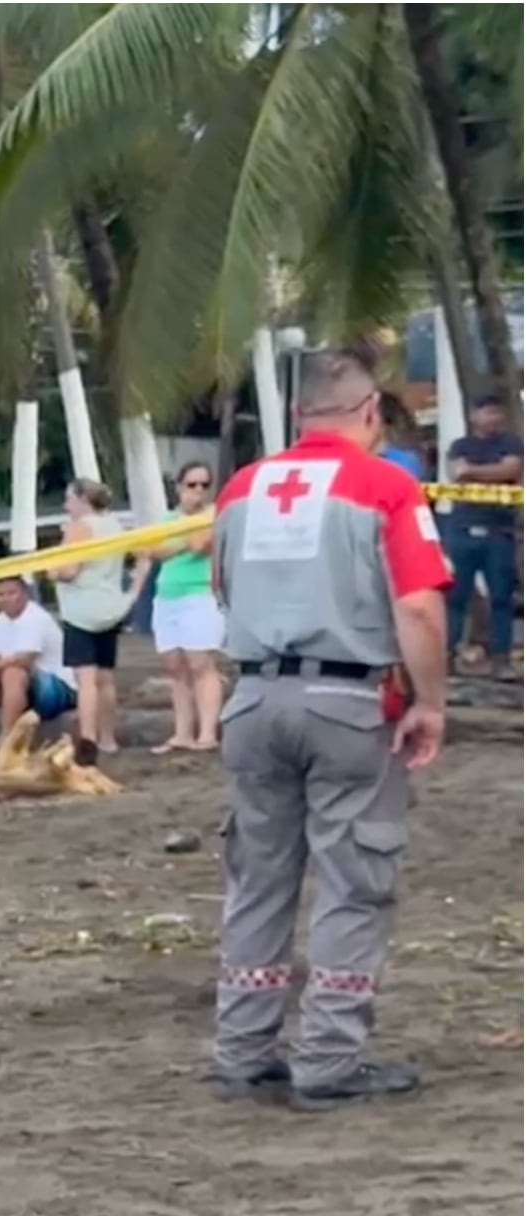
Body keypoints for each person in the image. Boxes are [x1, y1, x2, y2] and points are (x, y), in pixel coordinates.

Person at [208, 349, 449, 1110]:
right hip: (346, 701)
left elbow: (221, 586)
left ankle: (243, 1050)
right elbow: (417, 607)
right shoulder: (387, 486)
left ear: (297, 415)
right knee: (354, 880)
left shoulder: (243, 489)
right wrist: (431, 702)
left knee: (259, 877)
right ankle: (328, 1061)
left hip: (251, 699)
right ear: (371, 411)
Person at [49, 478, 149, 755]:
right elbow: (144, 556)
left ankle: (88, 738)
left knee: (86, 680)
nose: (66, 505)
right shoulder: (116, 526)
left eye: (69, 499)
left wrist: (51, 569)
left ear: (83, 500)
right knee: (106, 678)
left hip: (82, 610)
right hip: (110, 606)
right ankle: (108, 739)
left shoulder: (79, 528)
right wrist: (133, 593)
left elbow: (69, 571)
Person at [150, 462, 227, 753]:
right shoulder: (168, 518)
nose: (198, 491)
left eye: (204, 485)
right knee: (175, 667)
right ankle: (182, 732)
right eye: (192, 485)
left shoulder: (213, 515)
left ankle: (207, 732)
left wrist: (177, 544)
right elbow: (155, 552)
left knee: (201, 663)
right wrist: (182, 542)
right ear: (179, 487)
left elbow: (199, 546)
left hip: (199, 594)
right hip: (167, 594)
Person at [442, 394, 521, 678]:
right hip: (462, 530)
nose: (494, 418)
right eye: (487, 412)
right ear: (474, 416)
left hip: (499, 531)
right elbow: (455, 474)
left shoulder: (512, 443)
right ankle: (447, 655)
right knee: (455, 598)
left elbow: (512, 468)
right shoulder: (460, 445)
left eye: (497, 412)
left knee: (501, 597)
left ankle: (501, 659)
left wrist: (473, 470)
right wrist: (493, 473)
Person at [0, 575, 77, 733]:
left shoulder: (36, 618)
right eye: (0, 595)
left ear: (25, 594)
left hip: (57, 688)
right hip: (26, 687)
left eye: (12, 593)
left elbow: (23, 660)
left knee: (13, 673)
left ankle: (7, 737)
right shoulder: (1, 620)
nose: (6, 599)